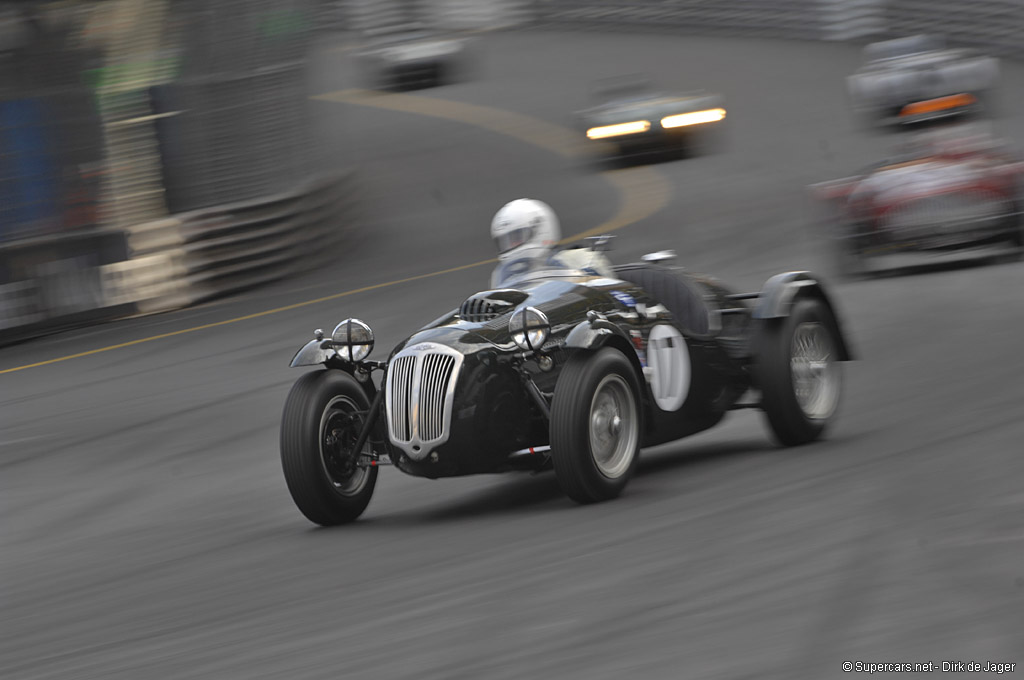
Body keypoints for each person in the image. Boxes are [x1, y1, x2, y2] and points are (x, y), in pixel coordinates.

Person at [489, 198, 614, 288]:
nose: (512, 245)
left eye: (517, 237)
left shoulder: (581, 257)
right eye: (506, 242)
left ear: (541, 228)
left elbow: (611, 291)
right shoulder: (499, 277)